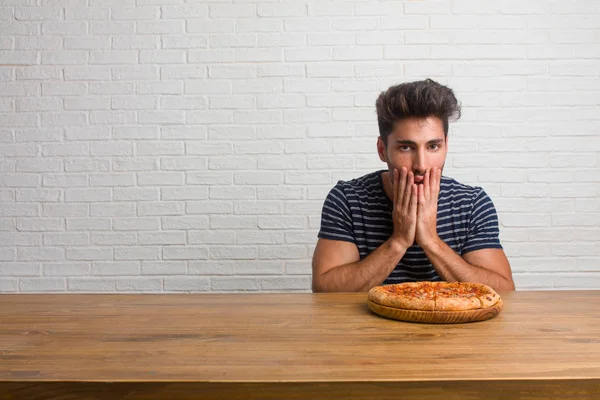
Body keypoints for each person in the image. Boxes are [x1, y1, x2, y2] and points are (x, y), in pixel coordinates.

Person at [312, 79, 515, 293]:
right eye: (406, 147)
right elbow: (325, 290)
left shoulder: (472, 203)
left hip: (449, 326)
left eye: (433, 146)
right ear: (382, 150)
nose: (421, 165)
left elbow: (504, 292)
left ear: (446, 145)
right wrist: (398, 241)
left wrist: (431, 241)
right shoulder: (347, 199)